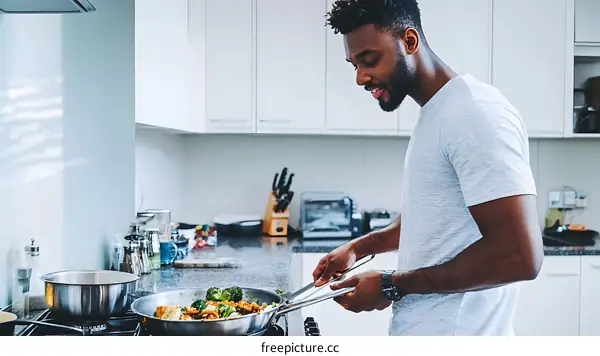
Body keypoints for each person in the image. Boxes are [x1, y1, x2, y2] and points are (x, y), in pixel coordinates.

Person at [312, 0, 545, 336]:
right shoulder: (440, 112)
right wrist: (358, 248)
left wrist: (391, 285)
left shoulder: (475, 113)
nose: (361, 77)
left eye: (370, 60)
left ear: (410, 41)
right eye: (354, 65)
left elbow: (520, 256)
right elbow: (435, 221)